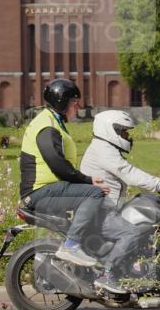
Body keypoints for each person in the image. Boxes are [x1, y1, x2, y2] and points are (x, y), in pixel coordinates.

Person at [80, 110, 160, 293]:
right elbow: (128, 173)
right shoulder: (103, 150)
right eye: (124, 131)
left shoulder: (103, 148)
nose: (127, 135)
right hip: (99, 212)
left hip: (104, 208)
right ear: (111, 130)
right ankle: (107, 275)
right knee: (132, 232)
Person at [19, 79, 109, 269]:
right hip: (39, 193)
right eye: (73, 102)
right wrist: (88, 181)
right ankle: (71, 245)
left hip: (48, 189)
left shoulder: (52, 121)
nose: (77, 106)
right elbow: (58, 164)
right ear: (61, 102)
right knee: (95, 193)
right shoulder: (47, 126)